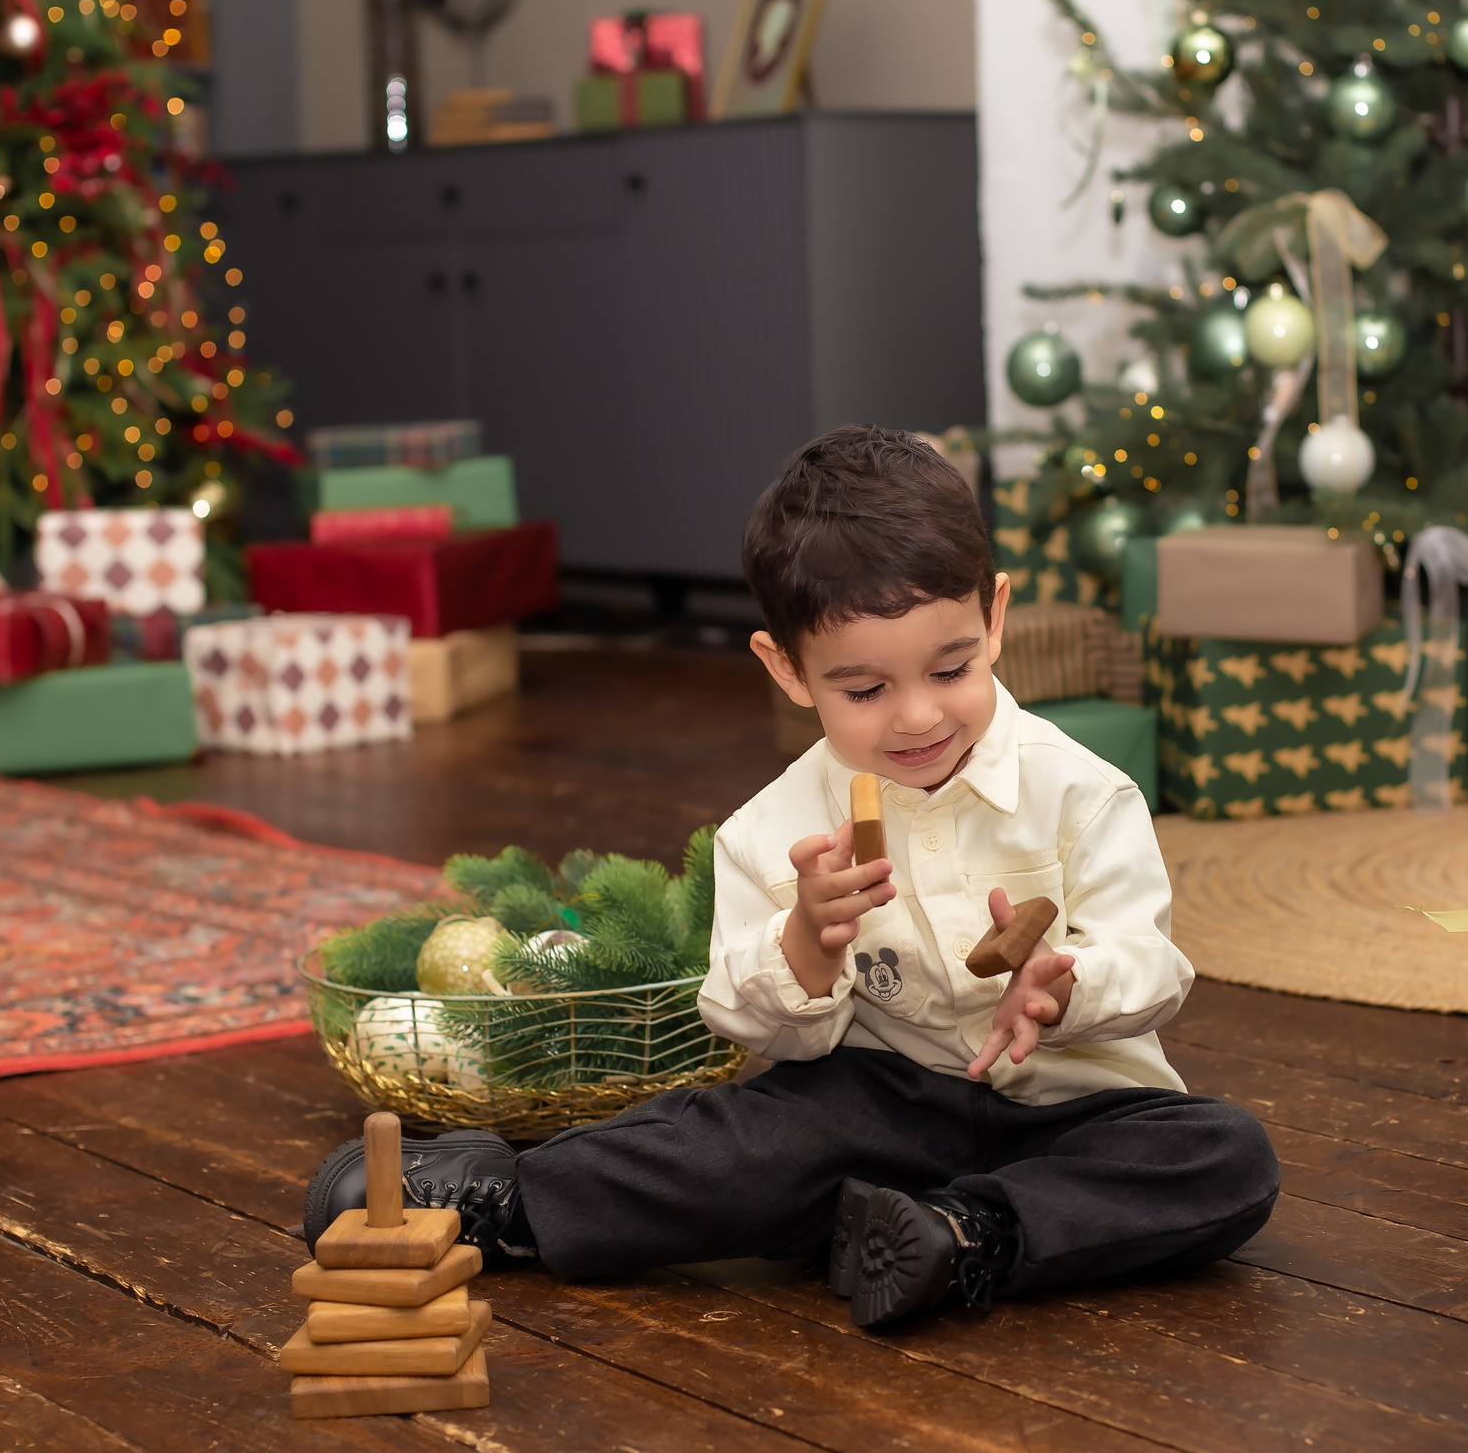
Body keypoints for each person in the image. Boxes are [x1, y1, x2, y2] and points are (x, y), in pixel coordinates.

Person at [304, 425, 1279, 1326]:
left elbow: (1152, 968)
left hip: (1079, 1109)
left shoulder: (1083, 793)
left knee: (1224, 1157)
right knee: (737, 1141)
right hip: (876, 1105)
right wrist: (807, 946)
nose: (915, 718)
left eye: (949, 670)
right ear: (787, 671)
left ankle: (962, 1237)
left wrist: (1069, 990)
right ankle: (509, 1201)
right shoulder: (770, 829)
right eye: (863, 689)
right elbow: (742, 1021)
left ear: (994, 617)